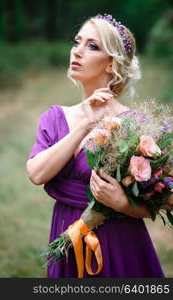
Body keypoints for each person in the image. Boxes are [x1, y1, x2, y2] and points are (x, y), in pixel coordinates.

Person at [26, 13, 164, 278]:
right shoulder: (55, 117)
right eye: (77, 42)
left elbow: (160, 200)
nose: (77, 51)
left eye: (92, 46)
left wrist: (124, 204)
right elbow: (37, 174)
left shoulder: (136, 127)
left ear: (111, 64)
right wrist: (83, 127)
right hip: (65, 234)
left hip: (119, 242)